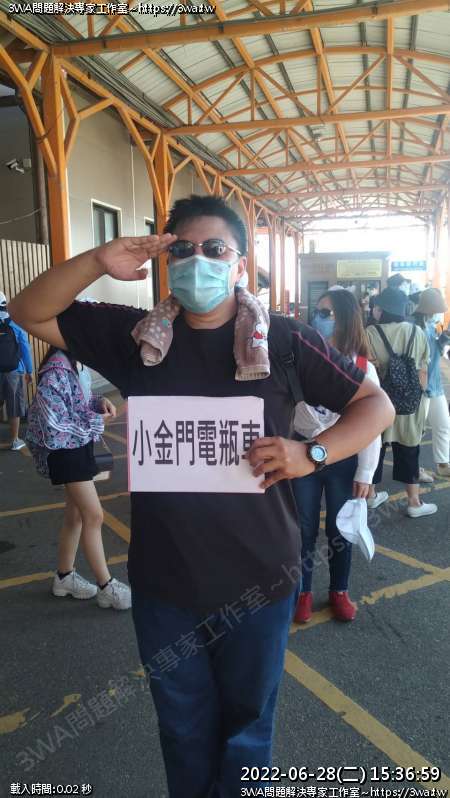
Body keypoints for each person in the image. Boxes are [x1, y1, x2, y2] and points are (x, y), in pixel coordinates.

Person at [9, 195, 394, 797]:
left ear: (240, 264)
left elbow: (376, 405)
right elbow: (28, 309)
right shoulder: (138, 339)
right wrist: (98, 259)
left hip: (260, 580)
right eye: (183, 249)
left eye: (215, 249)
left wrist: (311, 454)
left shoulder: (284, 341)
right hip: (167, 586)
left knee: (247, 730)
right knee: (183, 729)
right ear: (166, 261)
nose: (198, 261)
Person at [292, 288, 381, 624]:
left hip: (344, 461)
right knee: (303, 528)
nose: (319, 318)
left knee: (340, 529)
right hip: (304, 455)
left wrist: (366, 473)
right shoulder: (303, 357)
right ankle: (302, 592)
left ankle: (339, 591)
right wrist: (315, 434)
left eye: (326, 313)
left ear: (345, 319)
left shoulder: (362, 367)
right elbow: (293, 406)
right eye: (318, 312)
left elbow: (372, 423)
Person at [25, 345, 131, 610]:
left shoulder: (74, 363)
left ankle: (64, 577)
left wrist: (99, 402)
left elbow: (79, 399)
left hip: (77, 447)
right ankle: (106, 586)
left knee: (76, 516)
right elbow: (53, 422)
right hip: (66, 452)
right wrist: (97, 422)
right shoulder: (56, 369)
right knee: (93, 516)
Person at [366, 287, 435, 518]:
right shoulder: (417, 332)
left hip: (378, 402)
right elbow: (423, 372)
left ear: (382, 309)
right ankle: (414, 502)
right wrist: (417, 396)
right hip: (409, 404)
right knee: (409, 449)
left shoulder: (369, 333)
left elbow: (365, 369)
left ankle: (371, 495)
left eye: (376, 307)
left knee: (375, 448)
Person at [413, 288, 450, 478]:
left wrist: (444, 339)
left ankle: (443, 464)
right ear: (428, 309)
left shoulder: (430, 326)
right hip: (422, 388)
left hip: (435, 385)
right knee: (417, 432)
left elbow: (435, 354)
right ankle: (414, 469)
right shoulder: (416, 329)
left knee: (443, 425)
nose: (438, 313)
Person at [0, 290, 33, 450]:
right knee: (14, 405)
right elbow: (25, 348)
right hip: (14, 371)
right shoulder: (15, 324)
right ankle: (14, 440)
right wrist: (29, 370)